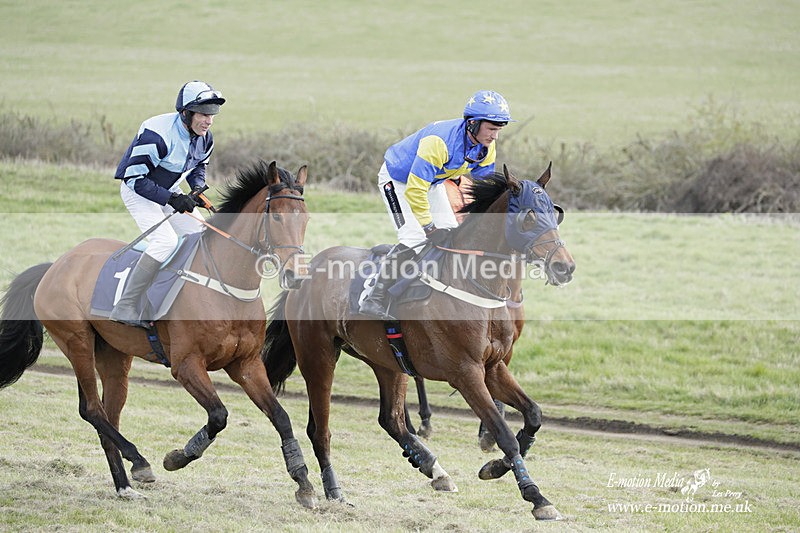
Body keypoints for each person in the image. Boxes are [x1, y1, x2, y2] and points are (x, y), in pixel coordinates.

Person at [359, 90, 514, 319]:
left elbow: (483, 192)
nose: (495, 136)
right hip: (399, 181)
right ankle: (374, 297)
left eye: (498, 130)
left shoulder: (486, 147)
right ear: (473, 124)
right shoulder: (439, 142)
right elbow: (414, 189)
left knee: (452, 233)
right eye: (491, 129)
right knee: (415, 237)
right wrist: (429, 227)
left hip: (433, 182)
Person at [108, 80, 225, 327]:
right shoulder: (157, 134)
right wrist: (172, 199)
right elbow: (135, 179)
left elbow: (198, 167)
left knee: (202, 237)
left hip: (169, 189)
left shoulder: (205, 138)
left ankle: (182, 298)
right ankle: (126, 305)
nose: (209, 121)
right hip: (138, 192)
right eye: (204, 114)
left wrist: (196, 188)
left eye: (212, 115)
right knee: (166, 241)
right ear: (186, 113)